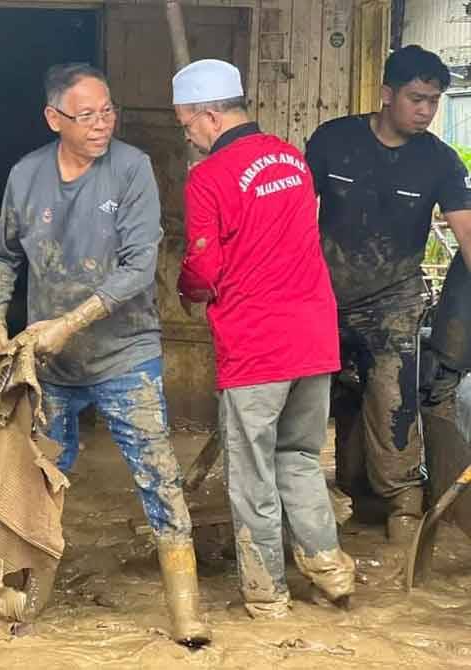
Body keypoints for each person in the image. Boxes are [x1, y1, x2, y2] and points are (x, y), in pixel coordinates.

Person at [0, 62, 210, 646]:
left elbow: (139, 268)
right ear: (53, 118)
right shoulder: (26, 175)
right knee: (40, 479)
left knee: (158, 475)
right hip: (49, 363)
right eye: (87, 115)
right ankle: (32, 595)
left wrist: (71, 321)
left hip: (123, 354)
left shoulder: (131, 169)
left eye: (108, 111)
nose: (102, 124)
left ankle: (185, 608)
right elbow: (4, 254)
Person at [173, 59, 355, 618]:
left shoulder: (209, 177)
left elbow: (204, 265)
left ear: (208, 115)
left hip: (258, 341)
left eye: (186, 124)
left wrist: (187, 291)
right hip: (314, 334)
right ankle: (331, 572)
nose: (187, 134)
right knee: (299, 456)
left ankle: (266, 596)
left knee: (251, 469)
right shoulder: (290, 157)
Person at [305, 45, 471, 547]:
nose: (425, 111)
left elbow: (467, 236)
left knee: (393, 399)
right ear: (386, 94)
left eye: (434, 102)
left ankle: (403, 504)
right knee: (307, 401)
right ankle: (309, 499)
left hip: (394, 299)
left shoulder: (439, 161)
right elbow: (292, 212)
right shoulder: (333, 141)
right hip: (321, 294)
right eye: (416, 98)